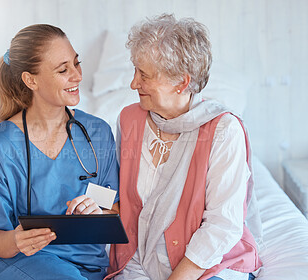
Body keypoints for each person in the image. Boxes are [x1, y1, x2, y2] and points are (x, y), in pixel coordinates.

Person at [105, 14, 262, 280]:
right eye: (135, 71)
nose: (133, 84)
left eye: (144, 75)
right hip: (138, 259)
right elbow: (117, 193)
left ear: (181, 82)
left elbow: (223, 225)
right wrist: (91, 203)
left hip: (207, 264)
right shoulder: (129, 119)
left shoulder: (224, 130)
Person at [0, 24, 119, 280]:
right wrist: (16, 239)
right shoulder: (1, 147)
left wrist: (99, 212)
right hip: (28, 262)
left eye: (77, 64)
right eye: (63, 69)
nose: (77, 76)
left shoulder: (97, 133)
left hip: (92, 268)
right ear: (30, 80)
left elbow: (114, 207)